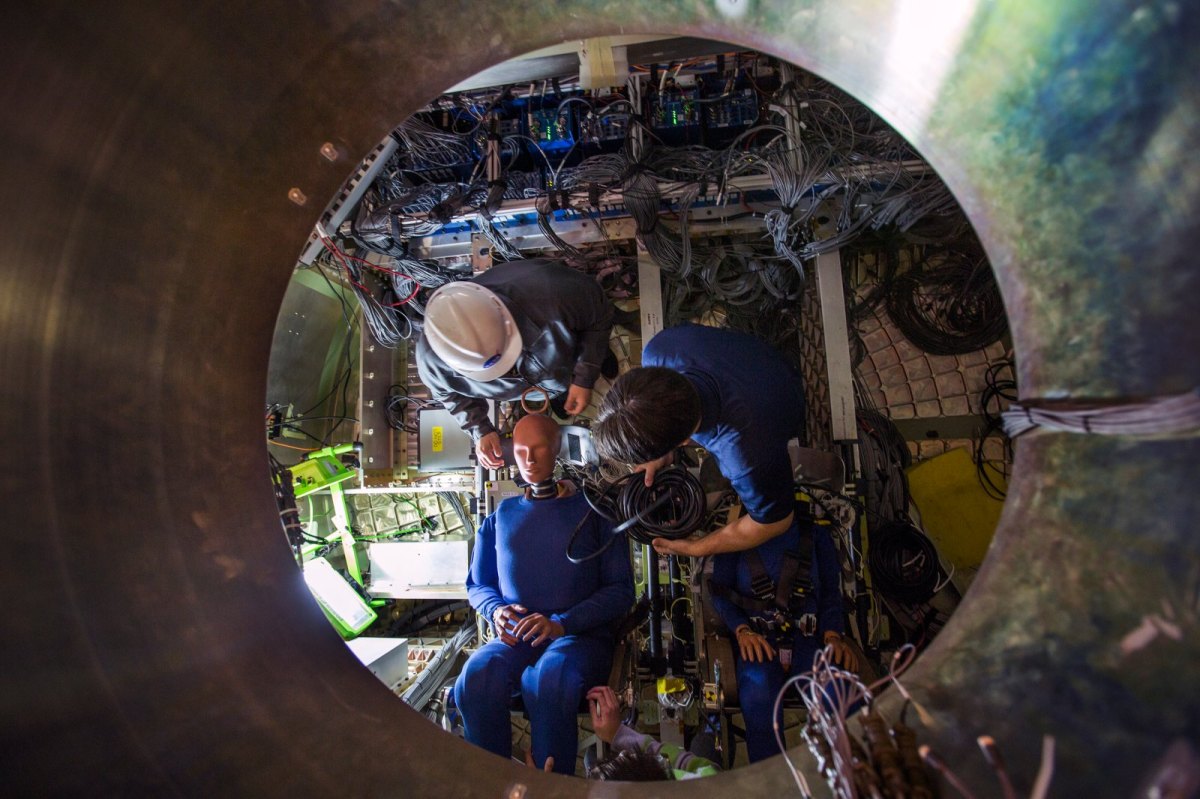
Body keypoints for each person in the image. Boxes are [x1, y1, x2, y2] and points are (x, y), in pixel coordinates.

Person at [454, 414, 634, 775]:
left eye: (538, 449)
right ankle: (492, 782)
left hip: (578, 638)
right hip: (518, 634)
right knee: (475, 676)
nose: (530, 459)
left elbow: (621, 592)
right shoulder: (503, 515)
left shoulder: (594, 512)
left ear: (557, 449)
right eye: (521, 451)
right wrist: (496, 610)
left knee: (548, 679)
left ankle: (554, 784)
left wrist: (561, 624)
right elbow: (477, 585)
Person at [593, 323, 805, 558]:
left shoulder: (744, 458)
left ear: (684, 441)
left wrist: (698, 548)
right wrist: (657, 436)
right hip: (756, 360)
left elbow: (776, 522)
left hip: (788, 393)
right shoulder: (659, 349)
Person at [417, 258, 621, 469]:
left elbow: (599, 316)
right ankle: (559, 393)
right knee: (564, 402)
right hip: (540, 386)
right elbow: (449, 396)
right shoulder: (431, 363)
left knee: (598, 354)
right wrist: (480, 430)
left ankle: (597, 361)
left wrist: (586, 375)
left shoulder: (553, 290)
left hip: (569, 352)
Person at [708, 513, 858, 763]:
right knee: (759, 696)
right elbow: (720, 593)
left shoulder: (814, 534)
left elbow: (832, 593)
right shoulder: (731, 538)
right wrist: (742, 630)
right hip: (758, 643)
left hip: (808, 642)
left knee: (838, 693)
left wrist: (833, 635)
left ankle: (853, 779)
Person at [585, 686, 720, 780]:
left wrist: (618, 735)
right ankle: (715, 720)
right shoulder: (707, 784)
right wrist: (619, 735)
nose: (623, 753)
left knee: (592, 754)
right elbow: (708, 770)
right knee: (708, 742)